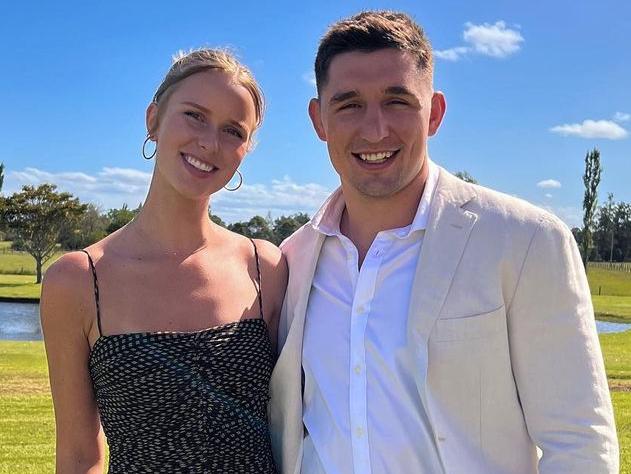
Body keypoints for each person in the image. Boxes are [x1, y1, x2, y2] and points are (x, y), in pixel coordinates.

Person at [269, 10, 618, 474]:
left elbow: (579, 443)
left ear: (433, 112)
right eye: (349, 104)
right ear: (319, 120)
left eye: (397, 101)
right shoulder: (293, 259)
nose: (375, 129)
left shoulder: (525, 240)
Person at [40, 48, 286, 473]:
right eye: (194, 115)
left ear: (245, 150)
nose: (210, 142)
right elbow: (80, 456)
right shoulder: (78, 281)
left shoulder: (266, 267)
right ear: (153, 119)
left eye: (233, 130)